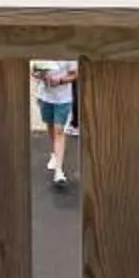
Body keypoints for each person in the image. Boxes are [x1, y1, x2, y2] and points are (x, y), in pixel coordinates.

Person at [35, 58, 79, 188]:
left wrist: (60, 80)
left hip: (63, 99)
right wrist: (41, 76)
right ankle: (55, 153)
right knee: (50, 126)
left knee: (59, 130)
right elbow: (33, 71)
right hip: (45, 97)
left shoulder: (69, 55)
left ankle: (59, 171)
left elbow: (75, 74)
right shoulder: (43, 52)